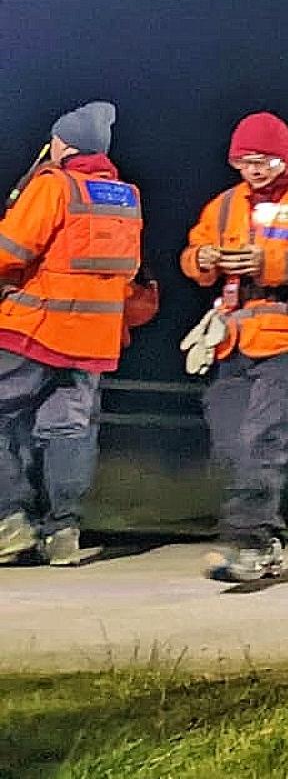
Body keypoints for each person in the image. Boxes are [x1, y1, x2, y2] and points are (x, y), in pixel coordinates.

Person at [181, 111, 288, 582]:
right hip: (232, 335)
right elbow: (191, 254)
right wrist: (202, 259)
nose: (254, 169)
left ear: (284, 158)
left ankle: (248, 543)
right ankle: (268, 533)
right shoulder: (223, 204)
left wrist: (268, 262)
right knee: (229, 438)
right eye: (244, 161)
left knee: (264, 438)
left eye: (264, 160)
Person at [0, 103, 142, 567]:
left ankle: (11, 519)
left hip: (37, 328)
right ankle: (64, 530)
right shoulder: (122, 195)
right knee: (68, 429)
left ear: (64, 145)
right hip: (93, 341)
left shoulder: (54, 186)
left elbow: (12, 249)